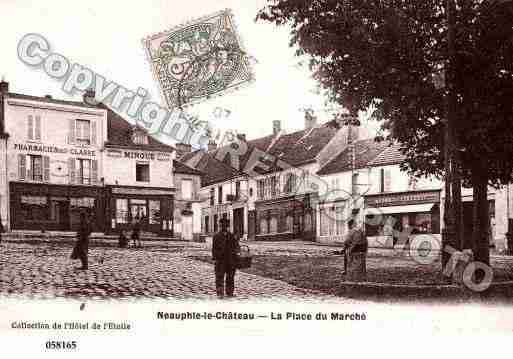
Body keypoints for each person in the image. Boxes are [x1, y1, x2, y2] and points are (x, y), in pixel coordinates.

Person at [212, 217, 240, 298]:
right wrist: (216, 258)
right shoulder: (216, 236)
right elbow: (214, 249)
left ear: (227, 226)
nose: (223, 227)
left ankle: (229, 292)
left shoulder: (231, 235)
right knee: (219, 277)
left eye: (225, 225)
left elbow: (235, 247)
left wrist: (236, 254)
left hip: (230, 260)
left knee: (230, 277)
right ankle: (220, 293)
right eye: (221, 225)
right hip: (220, 260)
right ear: (219, 226)